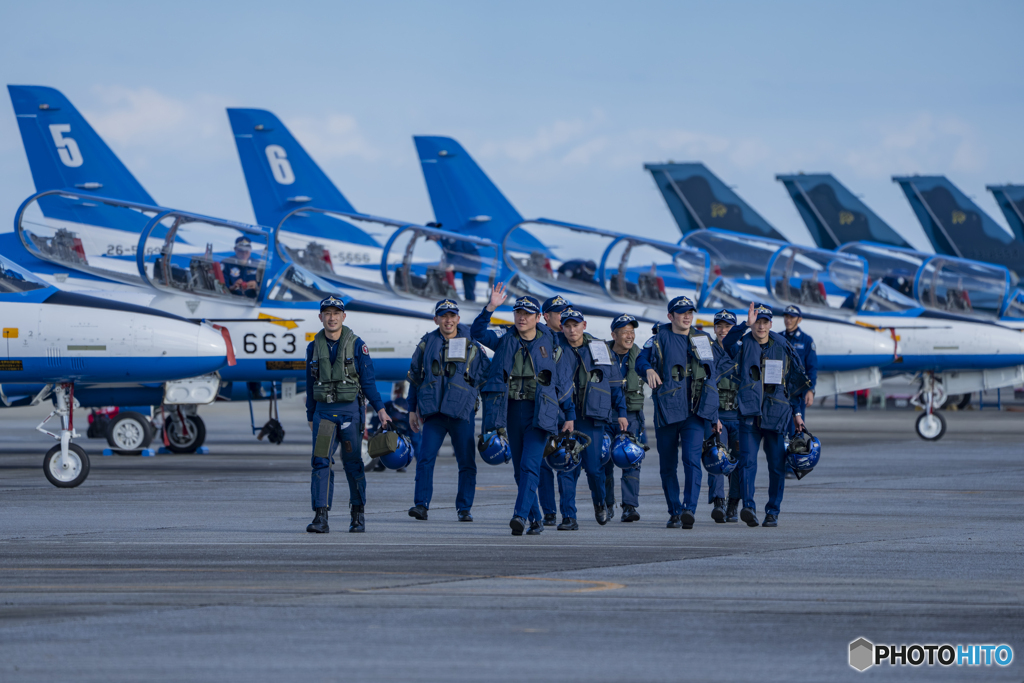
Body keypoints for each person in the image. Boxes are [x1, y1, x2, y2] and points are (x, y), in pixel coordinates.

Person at [472, 283, 576, 536]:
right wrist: (491, 307)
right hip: (511, 411)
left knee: (530, 465)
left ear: (538, 318)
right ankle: (536, 518)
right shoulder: (504, 338)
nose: (521, 317)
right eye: (518, 312)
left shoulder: (552, 342)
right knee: (520, 469)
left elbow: (562, 383)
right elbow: (476, 332)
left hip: (540, 412)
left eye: (528, 313)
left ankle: (519, 516)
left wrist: (569, 415)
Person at [305, 295, 391, 534]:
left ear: (344, 317)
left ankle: (357, 515)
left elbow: (368, 381)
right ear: (320, 317)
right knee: (320, 463)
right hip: (323, 414)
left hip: (349, 414)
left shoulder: (357, 345)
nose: (332, 318)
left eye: (336, 313)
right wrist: (310, 415)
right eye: (327, 313)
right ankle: (320, 517)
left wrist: (381, 410)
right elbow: (310, 384)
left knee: (353, 464)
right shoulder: (313, 347)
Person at [636, 295, 720, 529]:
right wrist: (649, 369)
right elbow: (640, 361)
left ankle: (688, 510)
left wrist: (715, 416)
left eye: (690, 312)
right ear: (670, 316)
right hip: (667, 411)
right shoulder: (658, 339)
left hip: (694, 412)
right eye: (681, 312)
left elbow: (713, 377)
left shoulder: (703, 339)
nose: (686, 316)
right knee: (667, 465)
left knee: (691, 460)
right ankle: (674, 510)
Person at [721, 303, 808, 528]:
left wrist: (797, 413)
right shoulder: (743, 343)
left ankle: (773, 511)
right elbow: (727, 343)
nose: (760, 326)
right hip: (749, 413)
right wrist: (744, 325)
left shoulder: (782, 345)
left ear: (771, 324)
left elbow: (795, 381)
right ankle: (748, 507)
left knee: (777, 466)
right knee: (747, 462)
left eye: (764, 322)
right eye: (757, 322)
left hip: (776, 414)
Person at [406, 299, 489, 522]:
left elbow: (485, 376)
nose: (448, 320)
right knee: (425, 458)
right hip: (434, 413)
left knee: (466, 462)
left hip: (462, 413)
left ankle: (464, 508)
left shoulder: (472, 343)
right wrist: (412, 409)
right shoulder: (426, 343)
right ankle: (421, 505)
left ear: (458, 319)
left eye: (452, 316)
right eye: (443, 316)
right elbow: (415, 376)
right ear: (436, 320)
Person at [553, 307, 629, 529]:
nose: (571, 329)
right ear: (562, 327)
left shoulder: (599, 348)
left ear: (583, 326)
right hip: (565, 419)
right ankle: (569, 516)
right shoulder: (555, 347)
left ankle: (600, 503)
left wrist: (621, 412)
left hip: (592, 419)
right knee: (566, 468)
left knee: (595, 469)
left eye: (575, 325)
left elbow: (614, 383)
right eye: (567, 325)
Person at [537, 295, 575, 526]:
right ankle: (549, 512)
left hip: (565, 411)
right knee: (542, 465)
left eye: (566, 311)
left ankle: (569, 514)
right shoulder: (537, 339)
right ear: (546, 316)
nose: (563, 317)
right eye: (559, 312)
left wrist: (570, 413)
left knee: (565, 464)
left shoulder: (575, 338)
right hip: (541, 410)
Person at [604, 314, 645, 523]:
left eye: (632, 331)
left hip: (631, 415)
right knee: (604, 462)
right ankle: (606, 504)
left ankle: (629, 507)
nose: (630, 336)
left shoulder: (641, 356)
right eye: (624, 332)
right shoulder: (600, 354)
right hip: (603, 415)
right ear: (614, 334)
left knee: (631, 459)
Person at [708, 310, 742, 523]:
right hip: (717, 414)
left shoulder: (743, 350)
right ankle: (718, 502)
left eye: (728, 326)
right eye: (719, 326)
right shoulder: (707, 351)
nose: (723, 330)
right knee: (715, 458)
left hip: (739, 415)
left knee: (737, 462)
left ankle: (733, 503)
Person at [782, 305, 818, 438]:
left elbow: (812, 367)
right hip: (780, 392)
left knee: (796, 430)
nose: (788, 320)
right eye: (786, 316)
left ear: (799, 319)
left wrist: (810, 389)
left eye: (792, 317)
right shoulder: (778, 338)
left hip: (798, 392)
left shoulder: (806, 341)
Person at [369, 382, 417, 473]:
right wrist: (371, 434)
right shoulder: (385, 407)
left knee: (405, 443)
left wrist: (420, 462)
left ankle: (401, 464)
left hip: (402, 440)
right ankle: (381, 464)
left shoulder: (410, 418)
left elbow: (416, 440)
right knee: (382, 441)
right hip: (386, 435)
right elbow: (374, 422)